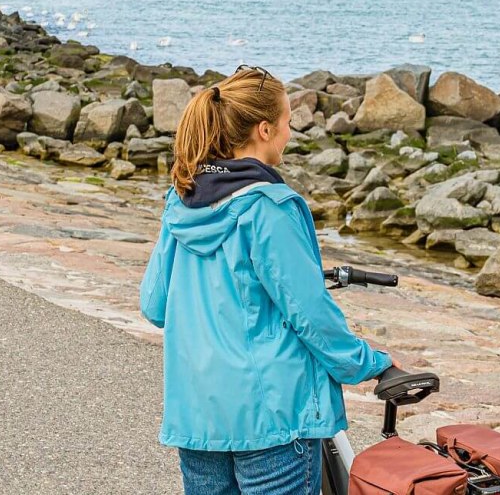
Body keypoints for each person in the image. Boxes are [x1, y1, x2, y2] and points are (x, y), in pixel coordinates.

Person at [140, 66, 392, 495]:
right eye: (287, 123)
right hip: (273, 419)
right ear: (263, 129)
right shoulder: (269, 207)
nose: (289, 133)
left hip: (198, 417)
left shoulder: (181, 199)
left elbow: (154, 304)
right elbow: (310, 314)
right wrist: (370, 364)